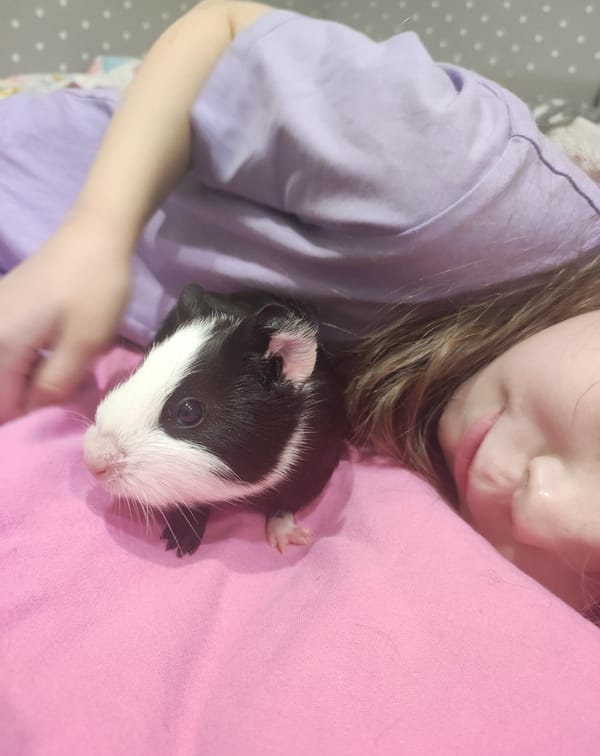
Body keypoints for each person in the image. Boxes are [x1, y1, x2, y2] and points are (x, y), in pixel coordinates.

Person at [2, 0, 600, 611]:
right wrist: (97, 226)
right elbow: (219, 28)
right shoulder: (459, 180)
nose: (543, 508)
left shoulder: (466, 420)